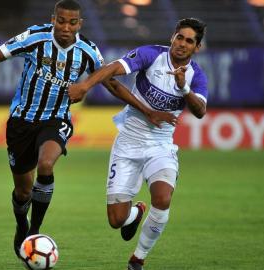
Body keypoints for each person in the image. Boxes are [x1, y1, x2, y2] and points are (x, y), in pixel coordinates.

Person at [0, 0, 177, 259]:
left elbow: (113, 85)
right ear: (53, 19)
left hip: (56, 119)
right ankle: (22, 225)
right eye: (61, 21)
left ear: (79, 24)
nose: (65, 27)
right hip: (21, 122)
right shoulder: (35, 37)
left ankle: (34, 233)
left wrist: (147, 110)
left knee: (46, 164)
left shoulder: (87, 51)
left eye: (72, 22)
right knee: (23, 192)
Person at [68, 18, 208, 270]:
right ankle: (136, 212)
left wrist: (183, 88)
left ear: (196, 47)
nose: (182, 44)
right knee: (116, 220)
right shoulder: (150, 55)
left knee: (163, 198)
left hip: (161, 145)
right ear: (172, 38)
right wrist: (85, 86)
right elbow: (111, 69)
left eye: (189, 41)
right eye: (179, 37)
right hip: (128, 143)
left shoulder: (197, 76)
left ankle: (138, 258)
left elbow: (200, 111)